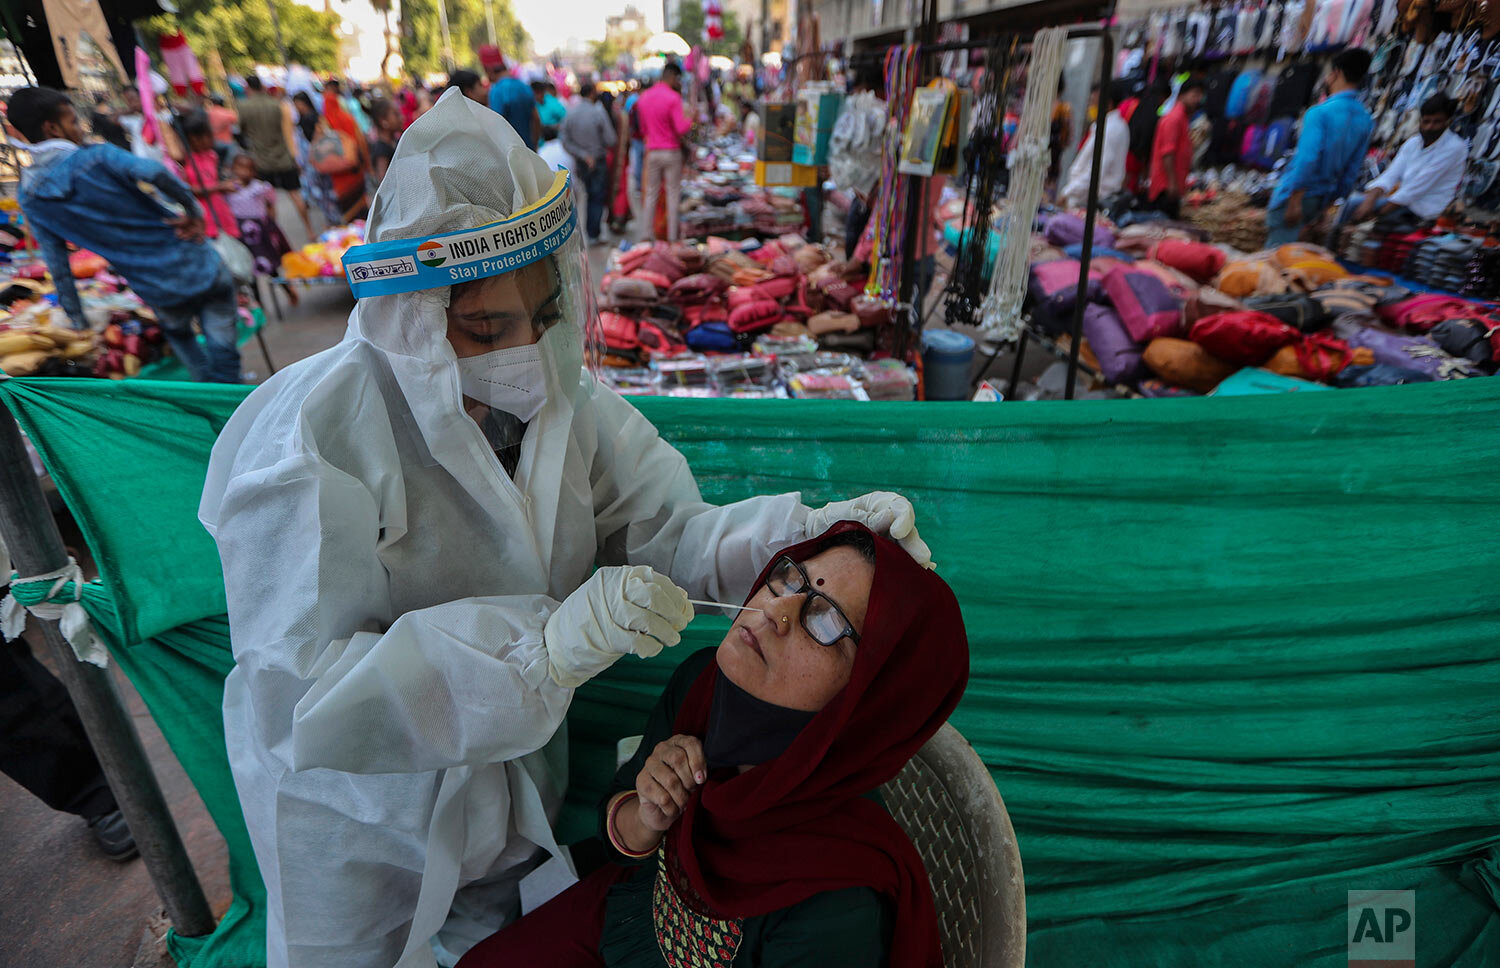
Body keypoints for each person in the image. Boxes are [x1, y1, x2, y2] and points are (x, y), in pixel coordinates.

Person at [198, 87, 932, 968]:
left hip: (506, 766)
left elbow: (673, 534)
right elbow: (305, 694)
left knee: (494, 934)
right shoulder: (307, 448)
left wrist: (808, 534)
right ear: (414, 323)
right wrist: (537, 651)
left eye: (546, 316)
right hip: (359, 800)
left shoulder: (564, 405)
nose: (533, 354)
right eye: (487, 328)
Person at [457, 523, 968, 968]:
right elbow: (625, 841)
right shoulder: (703, 684)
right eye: (791, 578)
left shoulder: (836, 901)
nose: (776, 609)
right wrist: (648, 812)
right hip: (633, 911)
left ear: (867, 701)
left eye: (826, 619)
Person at [9, 87, 241, 383]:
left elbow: (58, 265)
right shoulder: (97, 156)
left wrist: (77, 318)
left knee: (183, 338)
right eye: (72, 121)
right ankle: (233, 398)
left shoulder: (30, 197)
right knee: (223, 348)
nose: (79, 128)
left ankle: (220, 407)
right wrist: (193, 211)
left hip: (155, 286)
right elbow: (155, 173)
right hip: (194, 261)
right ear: (52, 128)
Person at [1265, 48, 1374, 246]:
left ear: (1336, 74)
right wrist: (1328, 206)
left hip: (1296, 197)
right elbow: (1352, 170)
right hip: (1320, 200)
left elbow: (1307, 158)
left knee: (1276, 261)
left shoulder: (1319, 113)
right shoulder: (1365, 119)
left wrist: (1294, 201)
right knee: (1302, 263)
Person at [1342, 93, 1465, 228]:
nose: (1430, 127)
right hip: (1401, 202)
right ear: (1420, 121)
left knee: (1355, 212)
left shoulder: (1455, 148)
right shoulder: (1413, 142)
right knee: (1348, 204)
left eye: (1436, 122)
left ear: (1448, 122)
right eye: (1426, 121)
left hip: (1422, 211)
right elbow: (1391, 174)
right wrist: (1370, 200)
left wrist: (1376, 214)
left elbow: (1416, 188)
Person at [240, 75, 315, 239]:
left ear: (248, 87)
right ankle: (310, 231)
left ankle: (275, 237)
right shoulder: (278, 105)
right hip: (283, 157)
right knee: (295, 194)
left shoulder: (244, 107)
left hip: (263, 162)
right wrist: (295, 156)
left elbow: (242, 130)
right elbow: (288, 132)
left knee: (268, 200)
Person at [226, 151, 295, 299]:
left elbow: (271, 201)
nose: (243, 172)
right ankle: (259, 303)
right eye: (239, 168)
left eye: (247, 168)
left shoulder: (259, 187)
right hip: (242, 235)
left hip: (260, 235)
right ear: (233, 169)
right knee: (250, 270)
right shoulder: (229, 189)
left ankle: (288, 291)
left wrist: (270, 219)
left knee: (270, 266)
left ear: (253, 171)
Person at [638, 62, 693, 242]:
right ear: (672, 77)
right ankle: (671, 238)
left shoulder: (644, 97)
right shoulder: (673, 98)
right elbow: (681, 128)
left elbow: (643, 129)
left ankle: (646, 235)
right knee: (672, 194)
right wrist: (691, 118)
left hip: (652, 151)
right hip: (671, 152)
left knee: (651, 194)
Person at [559, 82, 617, 244]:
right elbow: (611, 139)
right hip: (597, 160)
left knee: (587, 196)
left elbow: (564, 140)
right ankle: (593, 234)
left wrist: (582, 155)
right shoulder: (598, 113)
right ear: (592, 93)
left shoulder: (571, 113)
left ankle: (589, 233)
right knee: (596, 197)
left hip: (581, 162)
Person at [171, 111, 240, 244]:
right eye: (206, 136)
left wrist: (227, 185)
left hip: (220, 209)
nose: (211, 140)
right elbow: (189, 190)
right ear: (193, 140)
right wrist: (219, 187)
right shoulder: (186, 162)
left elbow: (214, 181)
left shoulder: (211, 155)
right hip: (203, 214)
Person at [1061, 81, 1132, 209]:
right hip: (1088, 198)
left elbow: (1095, 172)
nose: (1091, 106)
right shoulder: (1114, 126)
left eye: (1094, 102)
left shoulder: (1110, 130)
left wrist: (1067, 192)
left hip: (1091, 201)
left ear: (1108, 104)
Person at [1147, 78, 1203, 219]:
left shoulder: (1183, 118)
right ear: (1182, 95)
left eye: (1200, 95)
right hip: (1165, 187)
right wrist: (1172, 183)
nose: (1198, 99)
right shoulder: (1175, 118)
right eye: (1195, 94)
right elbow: (1168, 153)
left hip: (1173, 185)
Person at [291, 90, 340, 227]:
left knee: (323, 191)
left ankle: (333, 220)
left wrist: (313, 149)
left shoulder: (313, 117)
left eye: (298, 104)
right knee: (320, 191)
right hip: (311, 159)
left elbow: (319, 134)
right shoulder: (304, 118)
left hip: (317, 158)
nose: (297, 107)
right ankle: (331, 219)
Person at [323, 85, 371, 222]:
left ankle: (352, 231)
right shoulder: (349, 119)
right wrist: (366, 164)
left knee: (347, 209)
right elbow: (361, 143)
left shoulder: (324, 125)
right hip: (356, 170)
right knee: (360, 204)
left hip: (339, 176)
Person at [481, 44, 540, 149]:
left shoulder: (496, 92)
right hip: (528, 151)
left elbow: (495, 125)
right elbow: (536, 119)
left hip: (509, 155)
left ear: (488, 70)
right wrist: (534, 147)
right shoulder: (524, 87)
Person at [367, 98, 403, 186]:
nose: (401, 117)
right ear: (383, 121)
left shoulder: (394, 141)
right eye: (396, 115)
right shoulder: (381, 150)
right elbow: (384, 183)